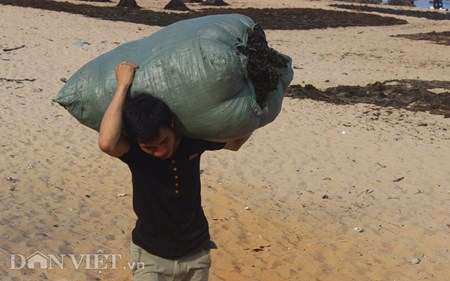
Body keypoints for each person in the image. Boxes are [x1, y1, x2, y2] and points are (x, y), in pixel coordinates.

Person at [98, 61, 251, 281]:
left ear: (171, 124)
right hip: (150, 256)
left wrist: (255, 110)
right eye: (150, 147)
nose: (160, 151)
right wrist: (122, 86)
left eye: (164, 141)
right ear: (137, 142)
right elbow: (106, 143)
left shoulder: (192, 140)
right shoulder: (135, 153)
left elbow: (235, 143)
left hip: (195, 254)